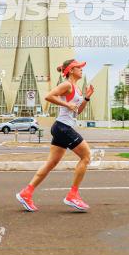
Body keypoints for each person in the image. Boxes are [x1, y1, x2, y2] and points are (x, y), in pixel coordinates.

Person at [16, 59, 94, 212]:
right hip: (63, 127)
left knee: (50, 164)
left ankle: (26, 193)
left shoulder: (76, 89)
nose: (82, 70)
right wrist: (67, 104)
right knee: (86, 156)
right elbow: (49, 96)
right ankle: (73, 195)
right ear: (71, 70)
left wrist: (86, 98)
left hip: (61, 127)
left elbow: (77, 111)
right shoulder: (67, 85)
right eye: (79, 67)